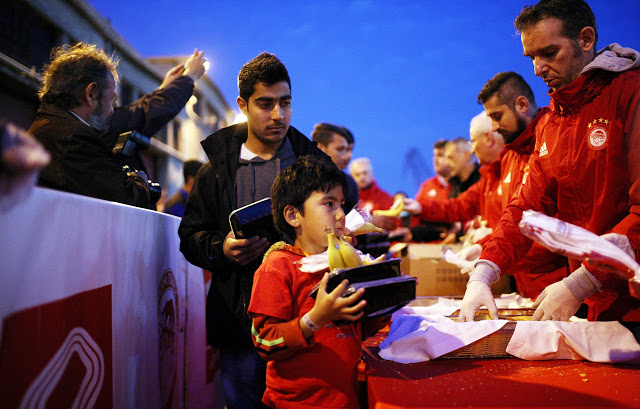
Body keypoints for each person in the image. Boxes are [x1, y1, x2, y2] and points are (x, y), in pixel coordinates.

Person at [458, 0, 640, 322]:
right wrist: (484, 271)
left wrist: (582, 281)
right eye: (532, 57)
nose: (538, 69)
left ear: (585, 39)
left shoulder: (631, 94)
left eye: (549, 53)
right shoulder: (553, 123)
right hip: (597, 308)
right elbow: (523, 209)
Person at [178, 52, 331, 409]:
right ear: (242, 105)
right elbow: (190, 237)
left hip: (310, 319)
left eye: (285, 103)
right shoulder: (214, 171)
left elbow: (345, 227)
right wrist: (222, 248)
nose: (278, 115)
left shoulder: (316, 166)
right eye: (266, 104)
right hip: (240, 324)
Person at [248, 154, 388, 408]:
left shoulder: (344, 261)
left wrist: (386, 297)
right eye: (329, 204)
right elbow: (264, 341)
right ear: (293, 216)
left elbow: (357, 328)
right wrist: (315, 319)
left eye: (342, 204)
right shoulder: (278, 266)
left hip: (344, 399)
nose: (341, 215)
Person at [29, 42, 205, 209]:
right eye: (111, 100)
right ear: (90, 94)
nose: (113, 111)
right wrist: (140, 181)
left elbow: (136, 113)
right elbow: (126, 198)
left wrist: (165, 87)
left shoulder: (52, 126)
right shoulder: (74, 140)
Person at [311, 122, 359, 212]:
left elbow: (353, 220)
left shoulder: (349, 183)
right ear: (320, 148)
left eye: (348, 149)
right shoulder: (299, 179)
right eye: (340, 149)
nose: (347, 156)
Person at [349, 157, 398, 231]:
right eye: (357, 174)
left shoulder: (385, 198)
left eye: (365, 173)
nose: (362, 177)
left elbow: (394, 224)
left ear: (371, 173)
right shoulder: (348, 199)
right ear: (352, 177)